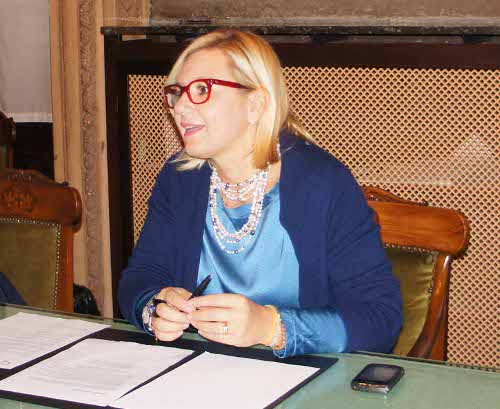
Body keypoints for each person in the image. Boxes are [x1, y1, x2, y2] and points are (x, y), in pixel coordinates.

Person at [118, 29, 402, 358]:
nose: (179, 107)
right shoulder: (181, 178)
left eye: (201, 89)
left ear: (255, 104)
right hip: (200, 372)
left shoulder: (323, 184)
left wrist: (271, 327)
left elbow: (380, 320)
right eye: (178, 92)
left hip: (300, 376)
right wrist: (154, 308)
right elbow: (141, 277)